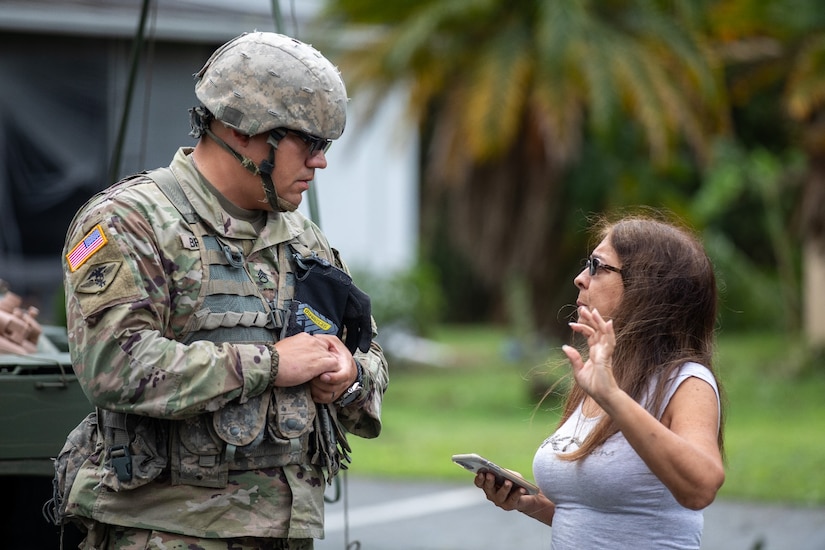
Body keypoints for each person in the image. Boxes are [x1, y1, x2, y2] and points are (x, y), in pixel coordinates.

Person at [54, 31, 389, 550]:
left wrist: (347, 377)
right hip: (166, 531)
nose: (320, 162)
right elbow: (112, 365)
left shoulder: (300, 237)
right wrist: (271, 365)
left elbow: (365, 351)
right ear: (241, 131)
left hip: (285, 531)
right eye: (310, 142)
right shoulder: (128, 222)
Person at [475, 213, 725, 549]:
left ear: (646, 285)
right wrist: (527, 501)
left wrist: (611, 396)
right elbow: (595, 515)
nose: (580, 279)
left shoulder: (686, 381)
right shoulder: (601, 374)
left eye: (597, 265)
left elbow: (701, 487)